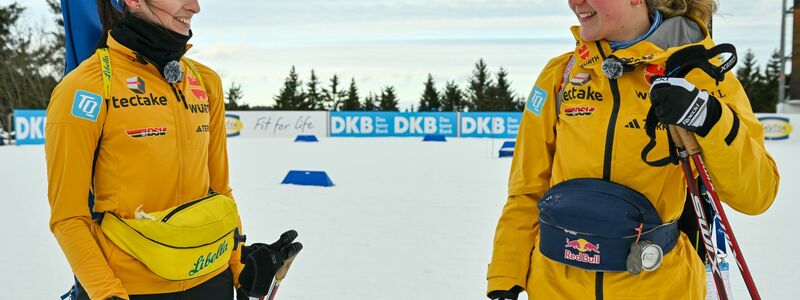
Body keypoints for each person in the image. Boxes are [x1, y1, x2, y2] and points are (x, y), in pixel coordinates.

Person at [486, 0, 779, 299]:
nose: (575, 2)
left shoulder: (699, 75)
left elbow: (756, 194)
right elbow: (526, 190)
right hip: (555, 285)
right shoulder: (560, 75)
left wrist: (709, 118)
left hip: (658, 284)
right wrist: (505, 274)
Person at [45, 1, 299, 299]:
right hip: (131, 288)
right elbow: (69, 217)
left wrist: (239, 268)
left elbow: (219, 191)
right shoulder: (85, 88)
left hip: (210, 280)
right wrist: (106, 293)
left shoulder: (205, 82)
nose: (195, 7)